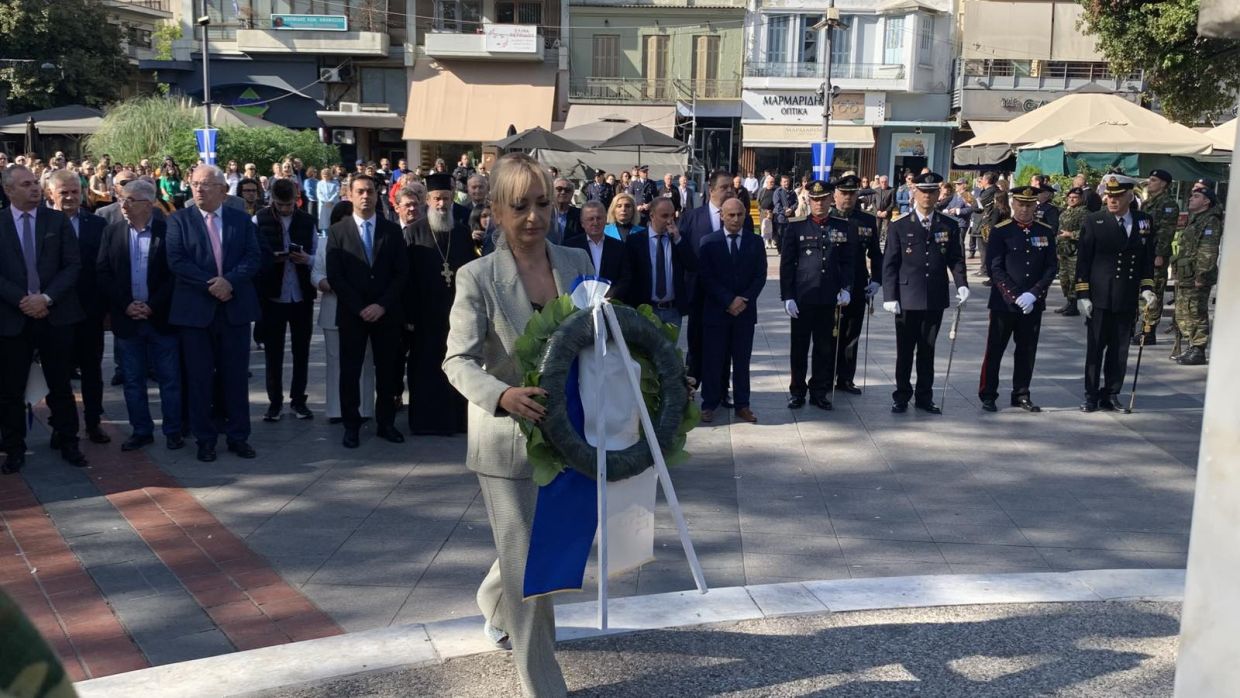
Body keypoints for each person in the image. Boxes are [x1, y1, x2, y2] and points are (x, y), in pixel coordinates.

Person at [441, 153, 593, 698]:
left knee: (529, 548)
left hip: (570, 433)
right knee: (533, 569)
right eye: (520, 206)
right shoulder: (476, 277)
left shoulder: (577, 261)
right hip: (507, 444)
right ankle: (544, 686)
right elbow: (456, 361)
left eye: (543, 204)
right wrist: (501, 395)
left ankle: (492, 601)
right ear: (498, 212)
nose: (534, 217)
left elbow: (599, 337)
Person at [166, 165, 261, 463]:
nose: (198, 189)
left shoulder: (240, 220)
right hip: (195, 312)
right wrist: (213, 284)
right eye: (195, 184)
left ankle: (238, 436)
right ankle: (204, 439)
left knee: (235, 378)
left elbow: (253, 257)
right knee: (199, 379)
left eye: (205, 184)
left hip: (234, 309)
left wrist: (229, 281)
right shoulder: (179, 220)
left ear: (223, 190)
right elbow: (177, 260)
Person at [0, 166, 88, 473]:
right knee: (10, 389)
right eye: (26, 184)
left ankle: (68, 441)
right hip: (13, 318)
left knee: (60, 385)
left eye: (35, 183)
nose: (35, 188)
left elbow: (72, 265)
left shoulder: (56, 220)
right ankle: (14, 448)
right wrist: (22, 300)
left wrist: (46, 298)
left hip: (55, 315)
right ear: (8, 190)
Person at [96, 179, 184, 451]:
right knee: (133, 381)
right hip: (127, 319)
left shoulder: (168, 231)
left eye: (130, 200)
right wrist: (125, 304)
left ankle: (173, 431)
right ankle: (141, 430)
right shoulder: (112, 232)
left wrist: (152, 305)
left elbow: (175, 274)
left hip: (160, 319)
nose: (123, 205)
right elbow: (103, 272)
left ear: (148, 204)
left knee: (170, 379)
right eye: (122, 199)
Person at [326, 174, 409, 448]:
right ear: (350, 195)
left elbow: (401, 273)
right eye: (360, 191)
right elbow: (335, 276)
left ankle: (386, 423)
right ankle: (351, 426)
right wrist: (360, 307)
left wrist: (381, 304)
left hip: (386, 313)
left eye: (370, 191)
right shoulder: (338, 231)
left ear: (377, 195)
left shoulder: (392, 230)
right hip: (353, 314)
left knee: (387, 371)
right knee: (350, 372)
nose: (365, 196)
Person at [881, 171, 970, 414]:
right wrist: (889, 296)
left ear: (938, 193)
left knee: (927, 351)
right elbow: (890, 263)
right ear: (915, 192)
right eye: (923, 191)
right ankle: (901, 395)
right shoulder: (899, 225)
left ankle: (924, 396)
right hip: (907, 297)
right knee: (905, 351)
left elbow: (955, 258)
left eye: (932, 192)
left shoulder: (948, 224)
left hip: (934, 296)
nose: (927, 197)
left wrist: (962, 283)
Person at [404, 173, 477, 436]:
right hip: (424, 316)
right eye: (436, 199)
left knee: (458, 366)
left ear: (452, 199)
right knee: (426, 368)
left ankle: (457, 421)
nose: (441, 204)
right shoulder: (412, 232)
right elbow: (405, 278)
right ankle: (427, 422)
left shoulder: (462, 233)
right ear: (427, 200)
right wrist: (409, 316)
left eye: (446, 198)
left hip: (457, 314)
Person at [1075, 177, 1156, 412]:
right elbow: (1084, 261)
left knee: (1120, 350)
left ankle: (1111, 393)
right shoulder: (1095, 220)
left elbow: (1146, 258)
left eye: (1118, 196)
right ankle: (1091, 395)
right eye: (1110, 196)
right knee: (1095, 349)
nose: (1112, 200)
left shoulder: (1143, 221)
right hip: (1100, 296)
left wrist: (1147, 287)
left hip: (1126, 296)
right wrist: (1082, 294)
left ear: (1130, 196)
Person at [977, 186, 1058, 413]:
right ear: (1013, 204)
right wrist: (1014, 295)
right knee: (995, 350)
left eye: (1029, 205)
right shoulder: (1001, 231)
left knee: (1027, 350)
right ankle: (988, 394)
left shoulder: (1045, 231)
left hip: (1032, 302)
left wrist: (1034, 293)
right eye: (1021, 204)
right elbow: (995, 268)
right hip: (1004, 303)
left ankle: (1021, 393)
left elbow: (1051, 266)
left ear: (1035, 206)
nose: (1024, 209)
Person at [45, 170, 110, 446]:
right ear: (50, 193)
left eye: (75, 191)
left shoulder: (97, 224)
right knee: (57, 374)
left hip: (89, 312)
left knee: (92, 371)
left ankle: (94, 422)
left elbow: (104, 267)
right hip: (54, 312)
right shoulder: (41, 223)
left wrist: (103, 307)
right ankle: (61, 426)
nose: (71, 197)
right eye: (64, 192)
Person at [780, 180, 855, 410]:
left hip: (829, 297)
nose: (819, 204)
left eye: (823, 199)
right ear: (808, 200)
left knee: (825, 348)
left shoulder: (843, 226)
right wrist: (788, 296)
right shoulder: (796, 227)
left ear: (831, 199)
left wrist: (846, 288)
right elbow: (787, 264)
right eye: (814, 199)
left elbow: (849, 262)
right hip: (803, 297)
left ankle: (819, 391)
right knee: (799, 348)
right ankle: (797, 391)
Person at [697, 197, 766, 424]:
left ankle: (742, 405)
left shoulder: (755, 242)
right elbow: (706, 277)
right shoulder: (709, 242)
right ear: (722, 216)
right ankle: (709, 403)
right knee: (713, 360)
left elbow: (760, 276)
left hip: (744, 312)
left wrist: (743, 299)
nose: (736, 219)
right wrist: (728, 300)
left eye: (740, 214)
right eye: (731, 215)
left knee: (742, 361)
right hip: (717, 312)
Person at [255, 178, 317, 422]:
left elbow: (318, 256)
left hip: (301, 295)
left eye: (289, 204)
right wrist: (272, 258)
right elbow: (253, 255)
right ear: (272, 200)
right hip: (273, 295)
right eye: (280, 205)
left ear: (296, 199)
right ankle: (275, 402)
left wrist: (307, 259)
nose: (284, 209)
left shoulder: (308, 221)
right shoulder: (259, 219)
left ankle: (299, 400)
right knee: (273, 352)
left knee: (302, 350)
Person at [312, 201, 375, 425]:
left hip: (363, 310)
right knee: (336, 361)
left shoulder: (368, 241)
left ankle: (365, 408)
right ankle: (337, 409)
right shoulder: (325, 243)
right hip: (334, 308)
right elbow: (316, 274)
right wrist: (329, 284)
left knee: (365, 360)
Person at [830, 175, 882, 394]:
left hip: (858, 284)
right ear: (835, 195)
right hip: (831, 284)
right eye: (843, 193)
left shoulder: (866, 220)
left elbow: (875, 254)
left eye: (852, 194)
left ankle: (845, 378)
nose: (848, 198)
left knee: (852, 334)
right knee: (830, 334)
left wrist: (877, 280)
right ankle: (825, 378)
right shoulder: (827, 217)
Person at [1169, 188, 1223, 366]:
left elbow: (1208, 251)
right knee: (1183, 312)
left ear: (1206, 201)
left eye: (1196, 196)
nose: (1191, 198)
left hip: (1197, 275)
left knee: (1195, 311)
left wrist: (1201, 275)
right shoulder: (1196, 218)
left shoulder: (1211, 220)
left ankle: (1198, 349)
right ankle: (1192, 346)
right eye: (1192, 195)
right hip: (1187, 274)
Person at [624, 197, 696, 326]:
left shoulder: (679, 238)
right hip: (646, 310)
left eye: (672, 215)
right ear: (652, 215)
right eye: (664, 216)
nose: (669, 220)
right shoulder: (635, 241)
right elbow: (629, 276)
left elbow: (692, 266)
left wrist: (678, 239)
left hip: (672, 310)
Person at [1134, 169, 1180, 345]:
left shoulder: (1168, 204)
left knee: (1154, 291)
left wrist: (1160, 254)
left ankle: (1149, 331)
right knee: (1142, 289)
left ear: (1163, 184)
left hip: (1155, 253)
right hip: (1144, 252)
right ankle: (1138, 326)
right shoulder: (1148, 203)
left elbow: (1166, 232)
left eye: (1153, 180)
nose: (1149, 182)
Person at [564, 201, 630, 300]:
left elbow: (625, 278)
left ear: (605, 220)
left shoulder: (619, 247)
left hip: (610, 303)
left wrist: (612, 293)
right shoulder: (569, 247)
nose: (595, 223)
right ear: (582, 223)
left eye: (599, 218)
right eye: (590, 219)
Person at [1054, 187, 1086, 316]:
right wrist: (1057, 248)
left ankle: (1073, 306)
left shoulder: (1084, 213)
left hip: (1075, 251)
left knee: (1073, 279)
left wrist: (1071, 234)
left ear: (1081, 199)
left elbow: (1086, 232)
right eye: (1070, 197)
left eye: (1075, 198)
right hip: (1063, 250)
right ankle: (1068, 302)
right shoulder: (1065, 212)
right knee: (1064, 278)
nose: (1072, 200)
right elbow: (1059, 231)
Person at [548, 178, 580, 244]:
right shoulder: (543, 213)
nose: (563, 192)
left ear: (572, 193)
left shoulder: (580, 215)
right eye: (559, 189)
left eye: (567, 190)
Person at [316, 168, 340, 233]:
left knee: (334, 221)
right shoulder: (319, 183)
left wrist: (331, 201)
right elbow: (319, 194)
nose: (325, 176)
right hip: (324, 205)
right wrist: (326, 202)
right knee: (324, 223)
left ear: (330, 174)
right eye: (324, 174)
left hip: (333, 204)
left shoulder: (335, 182)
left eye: (327, 174)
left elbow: (337, 192)